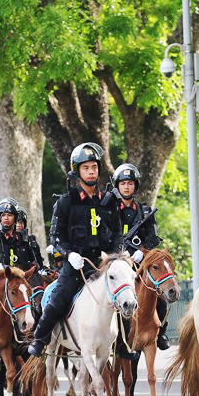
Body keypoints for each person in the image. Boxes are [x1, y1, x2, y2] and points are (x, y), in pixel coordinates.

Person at [28, 143, 129, 358]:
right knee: (57, 300)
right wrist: (69, 254)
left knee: (127, 296)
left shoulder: (110, 201)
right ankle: (40, 338)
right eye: (86, 168)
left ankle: (124, 344)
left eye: (94, 167)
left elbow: (117, 234)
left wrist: (115, 257)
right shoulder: (66, 202)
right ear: (77, 171)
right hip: (76, 266)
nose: (91, 171)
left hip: (103, 267)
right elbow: (56, 236)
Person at [112, 162, 171, 352]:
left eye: (130, 183)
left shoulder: (145, 212)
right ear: (117, 186)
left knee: (159, 295)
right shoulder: (110, 210)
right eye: (123, 184)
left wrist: (142, 250)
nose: (126, 187)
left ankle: (160, 333)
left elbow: (154, 237)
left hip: (139, 262)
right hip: (116, 262)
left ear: (135, 186)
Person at [0, 198, 34, 271]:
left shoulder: (23, 240)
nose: (6, 218)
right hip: (0, 274)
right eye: (3, 215)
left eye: (10, 215)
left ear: (15, 218)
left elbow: (32, 261)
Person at [15, 207, 48, 273]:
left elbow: (37, 259)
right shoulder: (6, 239)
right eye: (16, 223)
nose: (18, 225)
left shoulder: (30, 241)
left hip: (30, 272)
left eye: (21, 223)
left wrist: (41, 269)